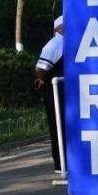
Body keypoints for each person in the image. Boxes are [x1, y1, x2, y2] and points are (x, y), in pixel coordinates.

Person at [34, 15, 65, 170]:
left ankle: (65, 162)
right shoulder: (55, 44)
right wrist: (42, 79)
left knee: (65, 126)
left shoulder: (65, 42)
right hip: (55, 92)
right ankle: (60, 163)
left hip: (62, 92)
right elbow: (40, 68)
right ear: (59, 27)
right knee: (57, 125)